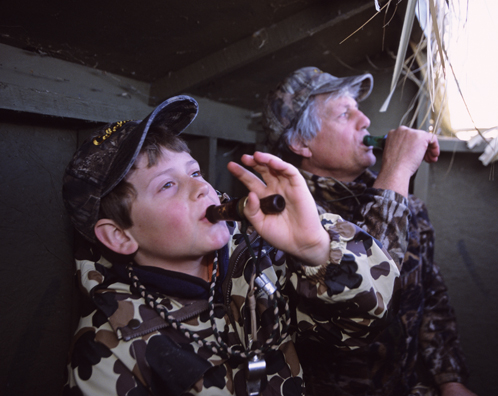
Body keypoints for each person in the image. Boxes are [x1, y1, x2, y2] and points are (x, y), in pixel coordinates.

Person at [61, 95, 404, 396]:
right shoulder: (108, 348)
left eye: (194, 173)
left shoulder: (258, 251)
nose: (202, 189)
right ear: (120, 236)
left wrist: (316, 248)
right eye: (167, 185)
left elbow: (364, 327)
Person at [263, 67, 476, 396]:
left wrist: (450, 381)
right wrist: (397, 167)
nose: (364, 120)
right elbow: (371, 286)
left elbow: (431, 297)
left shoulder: (409, 206)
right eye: (345, 113)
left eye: (358, 109)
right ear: (301, 142)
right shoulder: (284, 222)